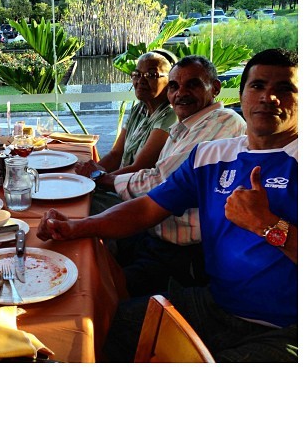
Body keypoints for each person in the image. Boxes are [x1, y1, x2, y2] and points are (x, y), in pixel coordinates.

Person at [37, 48, 297, 362]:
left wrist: (268, 225)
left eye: (285, 88)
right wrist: (76, 226)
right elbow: (148, 208)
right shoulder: (212, 155)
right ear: (241, 93)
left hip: (284, 328)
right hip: (215, 303)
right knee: (108, 327)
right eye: (258, 86)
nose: (269, 98)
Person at [78, 56, 247, 296]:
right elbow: (120, 156)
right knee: (87, 253)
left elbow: (158, 181)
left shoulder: (222, 124)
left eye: (193, 84)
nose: (181, 93)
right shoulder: (186, 125)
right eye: (175, 86)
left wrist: (100, 178)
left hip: (183, 255)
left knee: (97, 288)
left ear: (216, 88)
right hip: (154, 234)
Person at [82, 49, 178, 213]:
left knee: (82, 205)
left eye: (151, 75)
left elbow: (139, 166)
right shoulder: (139, 109)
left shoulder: (170, 116)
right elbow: (115, 154)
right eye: (137, 74)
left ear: (170, 81)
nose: (141, 80)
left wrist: (97, 179)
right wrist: (87, 177)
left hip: (137, 197)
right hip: (116, 185)